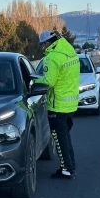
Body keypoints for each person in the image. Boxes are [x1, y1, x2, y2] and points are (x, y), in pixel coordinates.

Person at [36, 30, 80, 179]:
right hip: (71, 104)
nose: (42, 48)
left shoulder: (52, 58)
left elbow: (49, 82)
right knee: (65, 137)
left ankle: (67, 169)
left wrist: (33, 81)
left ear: (47, 43)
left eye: (42, 45)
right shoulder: (69, 52)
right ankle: (70, 165)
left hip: (58, 105)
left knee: (60, 139)